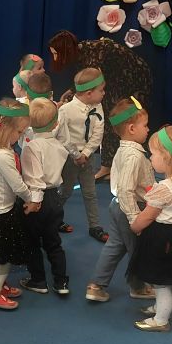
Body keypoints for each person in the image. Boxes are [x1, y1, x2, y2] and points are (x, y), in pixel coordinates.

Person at [47, 32, 152, 182]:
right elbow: (86, 81)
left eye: (56, 53)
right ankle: (113, 164)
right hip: (116, 78)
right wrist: (71, 92)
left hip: (133, 78)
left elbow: (92, 84)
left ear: (66, 51)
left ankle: (113, 166)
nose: (55, 58)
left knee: (113, 118)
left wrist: (69, 100)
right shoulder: (81, 53)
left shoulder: (93, 55)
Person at [126, 126, 172, 332]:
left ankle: (161, 320)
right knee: (165, 276)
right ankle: (160, 307)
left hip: (163, 237)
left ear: (167, 157)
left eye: (153, 154)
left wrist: (134, 226)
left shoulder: (164, 189)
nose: (150, 157)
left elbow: (148, 215)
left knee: (161, 282)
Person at [85, 97, 154, 302]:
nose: (148, 129)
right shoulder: (134, 156)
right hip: (131, 209)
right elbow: (125, 189)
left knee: (115, 246)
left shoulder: (123, 150)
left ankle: (96, 285)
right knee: (138, 250)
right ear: (132, 129)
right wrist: (135, 218)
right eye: (145, 125)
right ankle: (138, 287)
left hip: (117, 206)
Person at [0, 99, 39, 310]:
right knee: (5, 256)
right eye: (19, 132)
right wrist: (32, 199)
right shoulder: (3, 155)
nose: (20, 136)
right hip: (1, 214)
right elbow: (18, 186)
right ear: (5, 128)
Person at [19, 98, 70, 295]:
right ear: (56, 124)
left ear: (29, 123)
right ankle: (61, 282)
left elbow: (36, 179)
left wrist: (34, 202)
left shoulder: (31, 147)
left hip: (37, 200)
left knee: (32, 242)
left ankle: (38, 280)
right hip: (55, 198)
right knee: (53, 241)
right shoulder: (58, 145)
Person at [57, 67, 108, 242]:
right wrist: (76, 155)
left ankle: (95, 226)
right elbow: (63, 137)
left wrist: (85, 153)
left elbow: (98, 133)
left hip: (87, 157)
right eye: (101, 90)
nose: (104, 93)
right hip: (69, 158)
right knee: (65, 191)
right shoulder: (65, 110)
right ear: (88, 93)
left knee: (90, 193)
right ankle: (54, 219)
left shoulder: (98, 106)